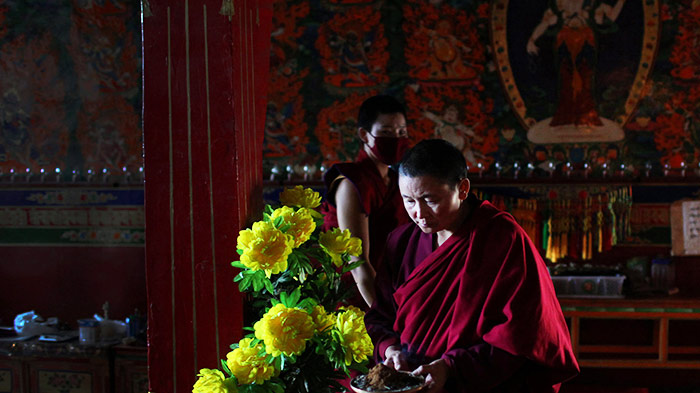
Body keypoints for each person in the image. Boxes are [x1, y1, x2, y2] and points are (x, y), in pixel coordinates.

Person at [365, 139, 579, 392]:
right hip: (412, 382)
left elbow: (524, 334)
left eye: (429, 199)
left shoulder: (502, 239)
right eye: (408, 201)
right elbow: (381, 315)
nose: (418, 213)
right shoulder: (401, 241)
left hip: (479, 382)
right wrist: (390, 349)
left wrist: (450, 367)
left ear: (463, 189)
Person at [321, 95, 412, 308]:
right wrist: (386, 321)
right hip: (356, 295)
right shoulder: (353, 183)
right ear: (364, 134)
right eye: (386, 133)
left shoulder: (397, 180)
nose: (396, 139)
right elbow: (358, 264)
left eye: (402, 132)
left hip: (391, 289)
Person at [526, 0, 626, 127]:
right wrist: (532, 39)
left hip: (585, 41)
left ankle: (586, 117)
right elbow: (545, 23)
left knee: (585, 78)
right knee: (566, 78)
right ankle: (566, 116)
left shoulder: (593, 4)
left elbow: (611, 16)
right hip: (565, 41)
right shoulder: (559, 5)